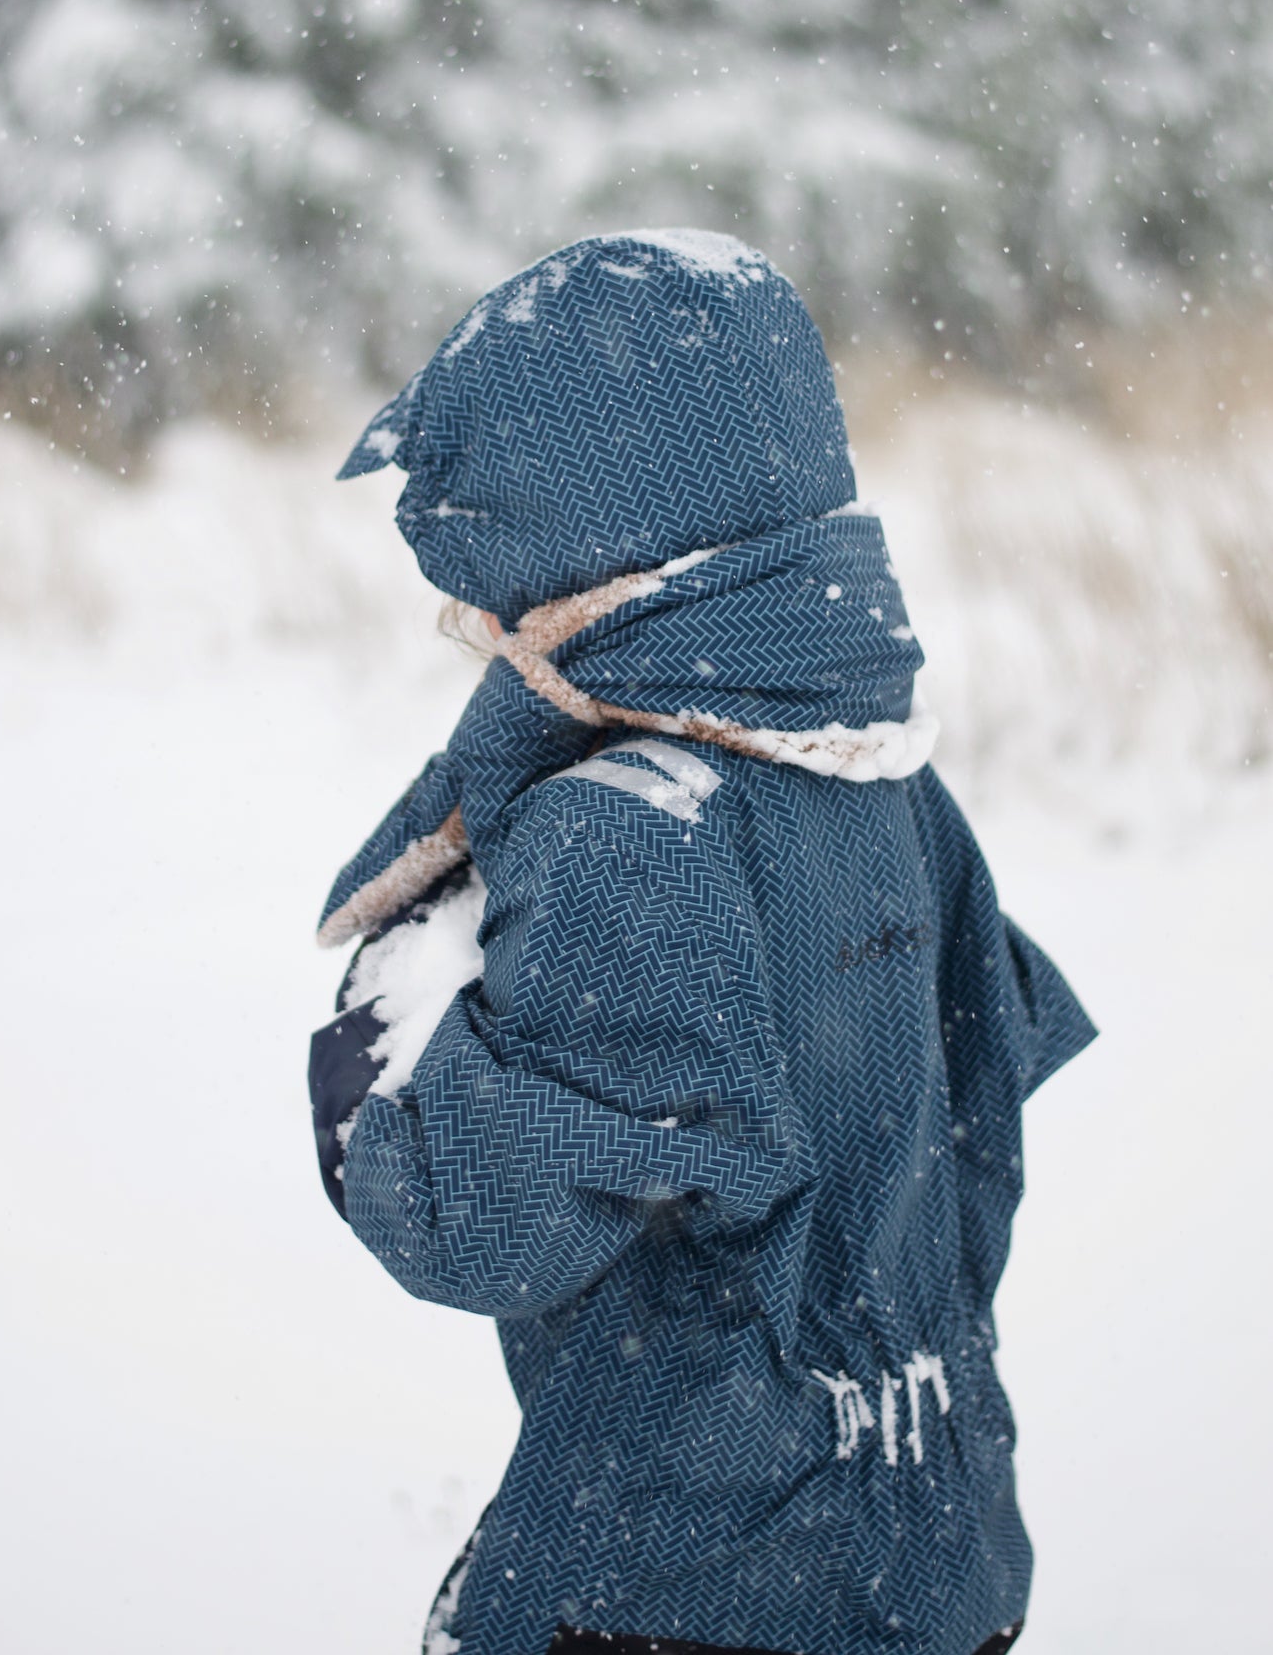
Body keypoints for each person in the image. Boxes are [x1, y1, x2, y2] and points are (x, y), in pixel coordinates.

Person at [309, 230, 1095, 1655]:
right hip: (936, 1540)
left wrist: (382, 1028)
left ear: (574, 537)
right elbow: (977, 1090)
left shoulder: (623, 828)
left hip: (683, 1574)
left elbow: (469, 1222)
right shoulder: (883, 781)